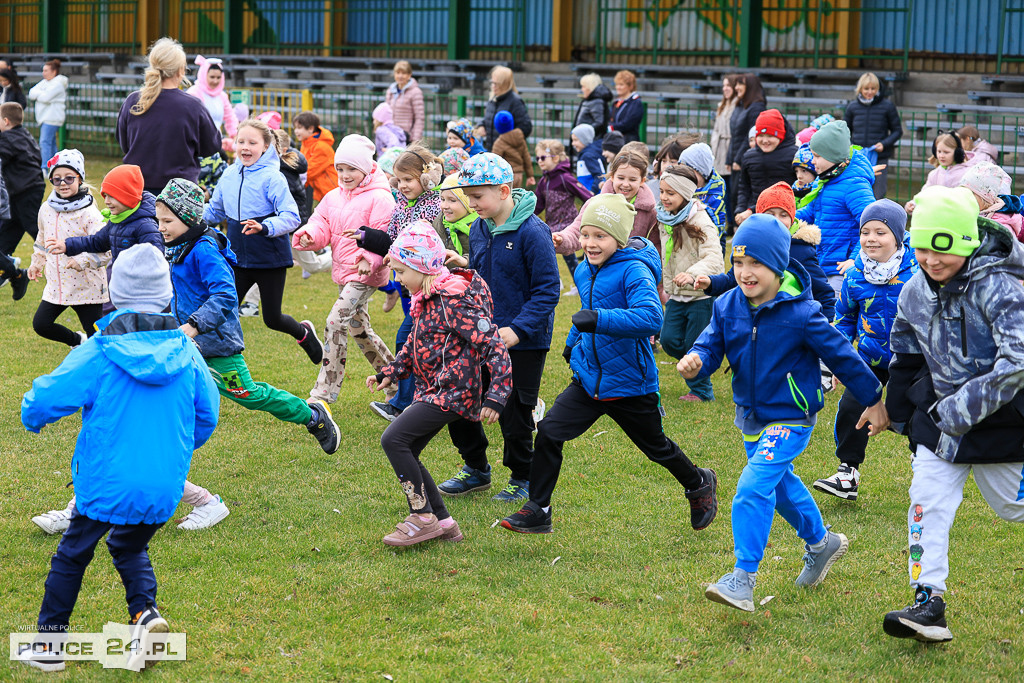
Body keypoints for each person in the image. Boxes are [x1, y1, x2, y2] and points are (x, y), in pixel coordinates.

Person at [18, 244, 219, 674]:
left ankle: (49, 645)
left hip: (106, 480)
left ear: (114, 293)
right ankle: (145, 615)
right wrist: (177, 449)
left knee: (72, 553)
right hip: (164, 482)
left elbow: (47, 396)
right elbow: (208, 414)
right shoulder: (188, 353)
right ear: (168, 296)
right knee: (128, 544)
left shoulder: (99, 351)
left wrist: (31, 415)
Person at [680, 214, 888, 612]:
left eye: (755, 263)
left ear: (777, 264)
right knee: (780, 488)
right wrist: (696, 360)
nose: (744, 273)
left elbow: (843, 357)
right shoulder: (727, 305)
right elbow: (710, 347)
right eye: (737, 263)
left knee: (752, 488)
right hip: (751, 416)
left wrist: (873, 399)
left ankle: (743, 578)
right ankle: (822, 543)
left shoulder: (803, 313)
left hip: (792, 418)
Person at [500, 194, 718, 534]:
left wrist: (599, 319)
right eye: (585, 235)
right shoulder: (586, 269)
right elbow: (585, 312)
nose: (589, 243)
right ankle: (539, 508)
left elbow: (650, 317)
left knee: (656, 448)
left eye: (599, 236)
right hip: (589, 379)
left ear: (618, 238)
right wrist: (573, 343)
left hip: (629, 382)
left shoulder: (633, 270)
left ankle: (698, 481)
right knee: (549, 431)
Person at [882, 186, 1024, 643]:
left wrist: (961, 409)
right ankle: (928, 601)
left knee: (1011, 506)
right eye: (921, 247)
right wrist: (895, 410)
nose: (930, 259)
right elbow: (903, 354)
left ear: (965, 240)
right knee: (927, 502)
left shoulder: (1001, 286)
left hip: (1002, 425)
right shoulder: (914, 290)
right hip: (938, 428)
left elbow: (1018, 360)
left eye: (941, 249)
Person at [159, 177, 340, 455]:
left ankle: (312, 416)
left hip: (215, 343)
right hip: (185, 340)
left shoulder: (204, 250)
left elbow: (225, 296)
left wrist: (194, 325)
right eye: (159, 220)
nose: (161, 228)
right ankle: (165, 446)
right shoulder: (177, 245)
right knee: (170, 389)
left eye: (167, 221)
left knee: (249, 394)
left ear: (188, 218)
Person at [367, 222, 512, 546]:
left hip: (454, 392)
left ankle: (421, 517)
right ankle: (445, 523)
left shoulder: (453, 300)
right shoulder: (426, 297)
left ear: (422, 267)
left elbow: (494, 345)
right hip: (433, 389)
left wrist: (496, 395)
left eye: (401, 271)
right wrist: (392, 371)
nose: (398, 279)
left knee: (394, 439)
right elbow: (417, 343)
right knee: (408, 447)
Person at [439, 153, 559, 501]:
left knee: (512, 410)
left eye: (478, 196)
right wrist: (464, 264)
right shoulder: (479, 226)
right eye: (469, 196)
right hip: (481, 334)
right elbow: (482, 271)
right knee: (460, 397)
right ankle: (475, 468)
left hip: (523, 340)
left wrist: (518, 330)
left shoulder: (533, 231)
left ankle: (523, 476)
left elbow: (548, 290)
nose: (471, 203)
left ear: (505, 191)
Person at [813, 199, 915, 501]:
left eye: (881, 232)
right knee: (849, 410)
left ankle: (924, 463)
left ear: (897, 236)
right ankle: (848, 472)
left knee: (907, 412)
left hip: (909, 360)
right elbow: (843, 320)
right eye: (865, 232)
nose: (871, 238)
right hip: (868, 359)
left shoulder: (917, 272)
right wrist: (836, 363)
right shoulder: (855, 275)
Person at [292, 135, 399, 408]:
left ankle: (323, 392)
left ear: (366, 168)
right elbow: (321, 223)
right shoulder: (333, 195)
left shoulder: (380, 197)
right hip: (344, 271)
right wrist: (309, 235)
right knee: (360, 330)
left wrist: (368, 258)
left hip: (365, 274)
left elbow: (384, 235)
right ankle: (398, 378)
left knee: (334, 321)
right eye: (340, 168)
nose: (345, 174)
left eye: (352, 168)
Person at [204, 118, 318, 364]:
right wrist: (186, 218)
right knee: (225, 308)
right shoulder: (229, 173)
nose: (245, 147)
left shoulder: (272, 178)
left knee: (272, 318)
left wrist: (265, 226)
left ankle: (304, 333)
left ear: (265, 146)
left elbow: (291, 217)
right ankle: (223, 359)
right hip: (236, 258)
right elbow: (214, 211)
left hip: (270, 258)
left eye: (252, 142)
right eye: (241, 141)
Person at [367, 146, 445, 421]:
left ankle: (404, 404)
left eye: (408, 180)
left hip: (430, 285)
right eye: (398, 181)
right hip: (408, 285)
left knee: (408, 339)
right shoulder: (401, 205)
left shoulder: (436, 206)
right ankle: (422, 400)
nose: (402, 186)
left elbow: (431, 247)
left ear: (426, 179)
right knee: (418, 341)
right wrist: (365, 237)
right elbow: (391, 239)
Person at [696, 182, 835, 322]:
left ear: (792, 219)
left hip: (790, 321)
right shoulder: (752, 245)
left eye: (783, 215)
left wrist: (828, 324)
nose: (777, 220)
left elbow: (822, 292)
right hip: (756, 318)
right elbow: (732, 280)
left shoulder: (800, 250)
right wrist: (710, 282)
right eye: (770, 214)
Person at [116, 39, 221, 195]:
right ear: (181, 70)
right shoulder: (193, 106)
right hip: (180, 193)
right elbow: (212, 146)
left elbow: (125, 144)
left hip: (137, 191)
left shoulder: (133, 101)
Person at [29, 149, 109, 347]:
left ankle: (104, 365)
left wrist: (82, 261)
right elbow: (41, 238)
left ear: (80, 179)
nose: (63, 183)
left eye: (69, 178)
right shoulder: (46, 209)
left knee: (97, 337)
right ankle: (76, 341)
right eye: (57, 179)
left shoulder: (90, 214)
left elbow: (106, 249)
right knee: (41, 324)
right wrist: (37, 262)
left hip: (87, 287)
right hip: (57, 286)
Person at [657, 166, 723, 402]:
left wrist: (692, 274)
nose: (664, 197)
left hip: (699, 296)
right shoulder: (664, 216)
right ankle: (698, 364)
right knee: (669, 340)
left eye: (670, 193)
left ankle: (702, 391)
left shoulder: (700, 219)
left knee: (695, 346)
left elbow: (715, 257)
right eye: (662, 191)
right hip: (675, 294)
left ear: (685, 195)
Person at [796, 120, 876, 298]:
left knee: (833, 317)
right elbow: (810, 212)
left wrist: (855, 260)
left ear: (832, 156)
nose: (812, 161)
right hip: (823, 262)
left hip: (842, 268)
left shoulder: (854, 184)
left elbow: (872, 224)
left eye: (817, 156)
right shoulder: (825, 179)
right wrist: (782, 217)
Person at [555, 149, 660, 258]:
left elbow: (655, 247)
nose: (625, 184)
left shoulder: (651, 212)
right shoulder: (595, 204)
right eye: (621, 178)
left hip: (631, 270)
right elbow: (577, 231)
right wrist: (562, 239)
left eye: (632, 180)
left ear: (642, 181)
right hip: (597, 268)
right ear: (612, 177)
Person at [533, 139, 593, 292]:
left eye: (542, 158)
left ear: (555, 158)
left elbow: (586, 195)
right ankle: (555, 281)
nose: (539, 161)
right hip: (552, 223)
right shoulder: (543, 181)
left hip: (567, 224)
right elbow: (537, 205)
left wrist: (593, 207)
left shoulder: (565, 178)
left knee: (569, 257)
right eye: (537, 158)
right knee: (547, 254)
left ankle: (580, 286)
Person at [844, 73, 903, 199]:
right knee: (858, 193)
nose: (869, 92)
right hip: (858, 158)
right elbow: (845, 132)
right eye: (866, 89)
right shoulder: (852, 107)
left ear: (878, 89)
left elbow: (897, 131)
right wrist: (851, 146)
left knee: (878, 194)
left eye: (873, 89)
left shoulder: (887, 106)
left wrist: (884, 144)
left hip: (879, 157)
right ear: (860, 89)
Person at [735, 109, 796, 225]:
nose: (765, 140)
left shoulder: (794, 156)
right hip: (754, 215)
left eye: (770, 136)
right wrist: (741, 209)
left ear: (781, 136)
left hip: (784, 216)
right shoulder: (749, 156)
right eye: (761, 135)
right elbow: (744, 187)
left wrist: (750, 210)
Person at [0, 102, 45, 255]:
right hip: (27, 188)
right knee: (9, 230)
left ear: (6, 121)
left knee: (35, 227)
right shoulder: (25, 135)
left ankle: (59, 254)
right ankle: (11, 272)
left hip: (25, 190)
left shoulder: (6, 138)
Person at [679, 142, 728, 250]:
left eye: (689, 171)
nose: (685, 175)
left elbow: (714, 227)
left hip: (711, 243)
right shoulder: (684, 189)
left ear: (702, 173)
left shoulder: (714, 196)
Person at [906, 133, 971, 207]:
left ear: (957, 153)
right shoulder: (934, 174)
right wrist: (914, 203)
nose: (941, 156)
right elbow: (925, 193)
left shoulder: (966, 174)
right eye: (939, 151)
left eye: (946, 152)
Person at [960, 161, 1022, 239]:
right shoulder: (970, 212)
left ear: (986, 199)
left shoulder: (1000, 225)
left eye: (971, 194)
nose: (966, 197)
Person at [28, 59, 68, 173]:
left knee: (44, 142)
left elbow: (45, 97)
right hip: (44, 118)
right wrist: (41, 94)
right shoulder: (44, 82)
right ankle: (56, 166)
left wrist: (39, 95)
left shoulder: (58, 84)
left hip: (52, 118)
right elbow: (31, 93)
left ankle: (45, 167)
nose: (43, 73)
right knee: (50, 143)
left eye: (46, 70)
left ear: (54, 71)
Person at [185, 55, 238, 140]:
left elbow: (230, 117)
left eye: (218, 77)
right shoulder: (194, 93)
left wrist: (235, 136)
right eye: (212, 77)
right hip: (197, 141)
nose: (215, 81)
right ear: (203, 75)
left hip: (216, 142)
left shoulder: (222, 96)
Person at [726, 74, 766, 183]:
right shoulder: (740, 105)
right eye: (736, 84)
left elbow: (750, 136)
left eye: (740, 84)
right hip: (735, 160)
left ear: (750, 87)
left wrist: (738, 160)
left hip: (745, 160)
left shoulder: (757, 107)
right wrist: (729, 159)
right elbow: (734, 135)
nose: (736, 88)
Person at [292, 111, 337, 204]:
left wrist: (293, 183)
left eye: (299, 128)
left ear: (311, 129)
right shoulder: (306, 144)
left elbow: (309, 171)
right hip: (319, 192)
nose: (296, 131)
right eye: (295, 128)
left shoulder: (321, 147)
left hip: (330, 191)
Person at [483, 66, 532, 152]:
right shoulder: (493, 98)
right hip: (492, 151)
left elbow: (526, 127)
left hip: (508, 153)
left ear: (505, 84)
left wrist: (507, 139)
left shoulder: (515, 101)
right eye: (492, 83)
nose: (493, 86)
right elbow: (488, 119)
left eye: (497, 84)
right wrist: (481, 126)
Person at [712, 75, 738, 227]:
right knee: (722, 190)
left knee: (731, 190)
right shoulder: (722, 104)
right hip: (719, 149)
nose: (725, 89)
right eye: (723, 86)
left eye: (728, 85)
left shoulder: (737, 105)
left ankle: (733, 222)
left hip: (730, 149)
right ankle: (727, 221)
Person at [436, 171, 477, 259]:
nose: (444, 206)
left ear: (468, 202)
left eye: (452, 200)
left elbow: (483, 256)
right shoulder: (439, 221)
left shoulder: (478, 225)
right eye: (442, 199)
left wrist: (465, 262)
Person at [491, 111, 534, 188]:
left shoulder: (499, 143)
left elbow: (494, 162)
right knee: (516, 196)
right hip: (519, 175)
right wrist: (530, 175)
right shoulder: (520, 138)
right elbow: (526, 157)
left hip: (507, 176)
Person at [385, 60, 425, 143]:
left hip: (406, 136)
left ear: (409, 75)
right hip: (391, 135)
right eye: (398, 73)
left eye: (403, 73)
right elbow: (386, 113)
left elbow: (419, 118)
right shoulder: (391, 90)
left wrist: (415, 139)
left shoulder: (415, 92)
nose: (400, 76)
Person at [573, 73, 612, 139]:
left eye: (583, 86)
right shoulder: (590, 100)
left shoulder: (597, 102)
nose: (582, 89)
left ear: (590, 87)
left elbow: (599, 122)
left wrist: (584, 132)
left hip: (590, 141)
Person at [608, 70, 643, 143]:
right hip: (615, 140)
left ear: (631, 86)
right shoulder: (617, 101)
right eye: (617, 84)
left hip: (628, 141)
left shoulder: (636, 102)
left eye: (621, 85)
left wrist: (611, 128)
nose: (618, 87)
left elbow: (628, 123)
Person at [570, 123, 605, 193]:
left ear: (584, 140)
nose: (573, 143)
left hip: (594, 196)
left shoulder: (588, 156)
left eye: (575, 140)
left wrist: (592, 191)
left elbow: (599, 176)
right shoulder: (585, 154)